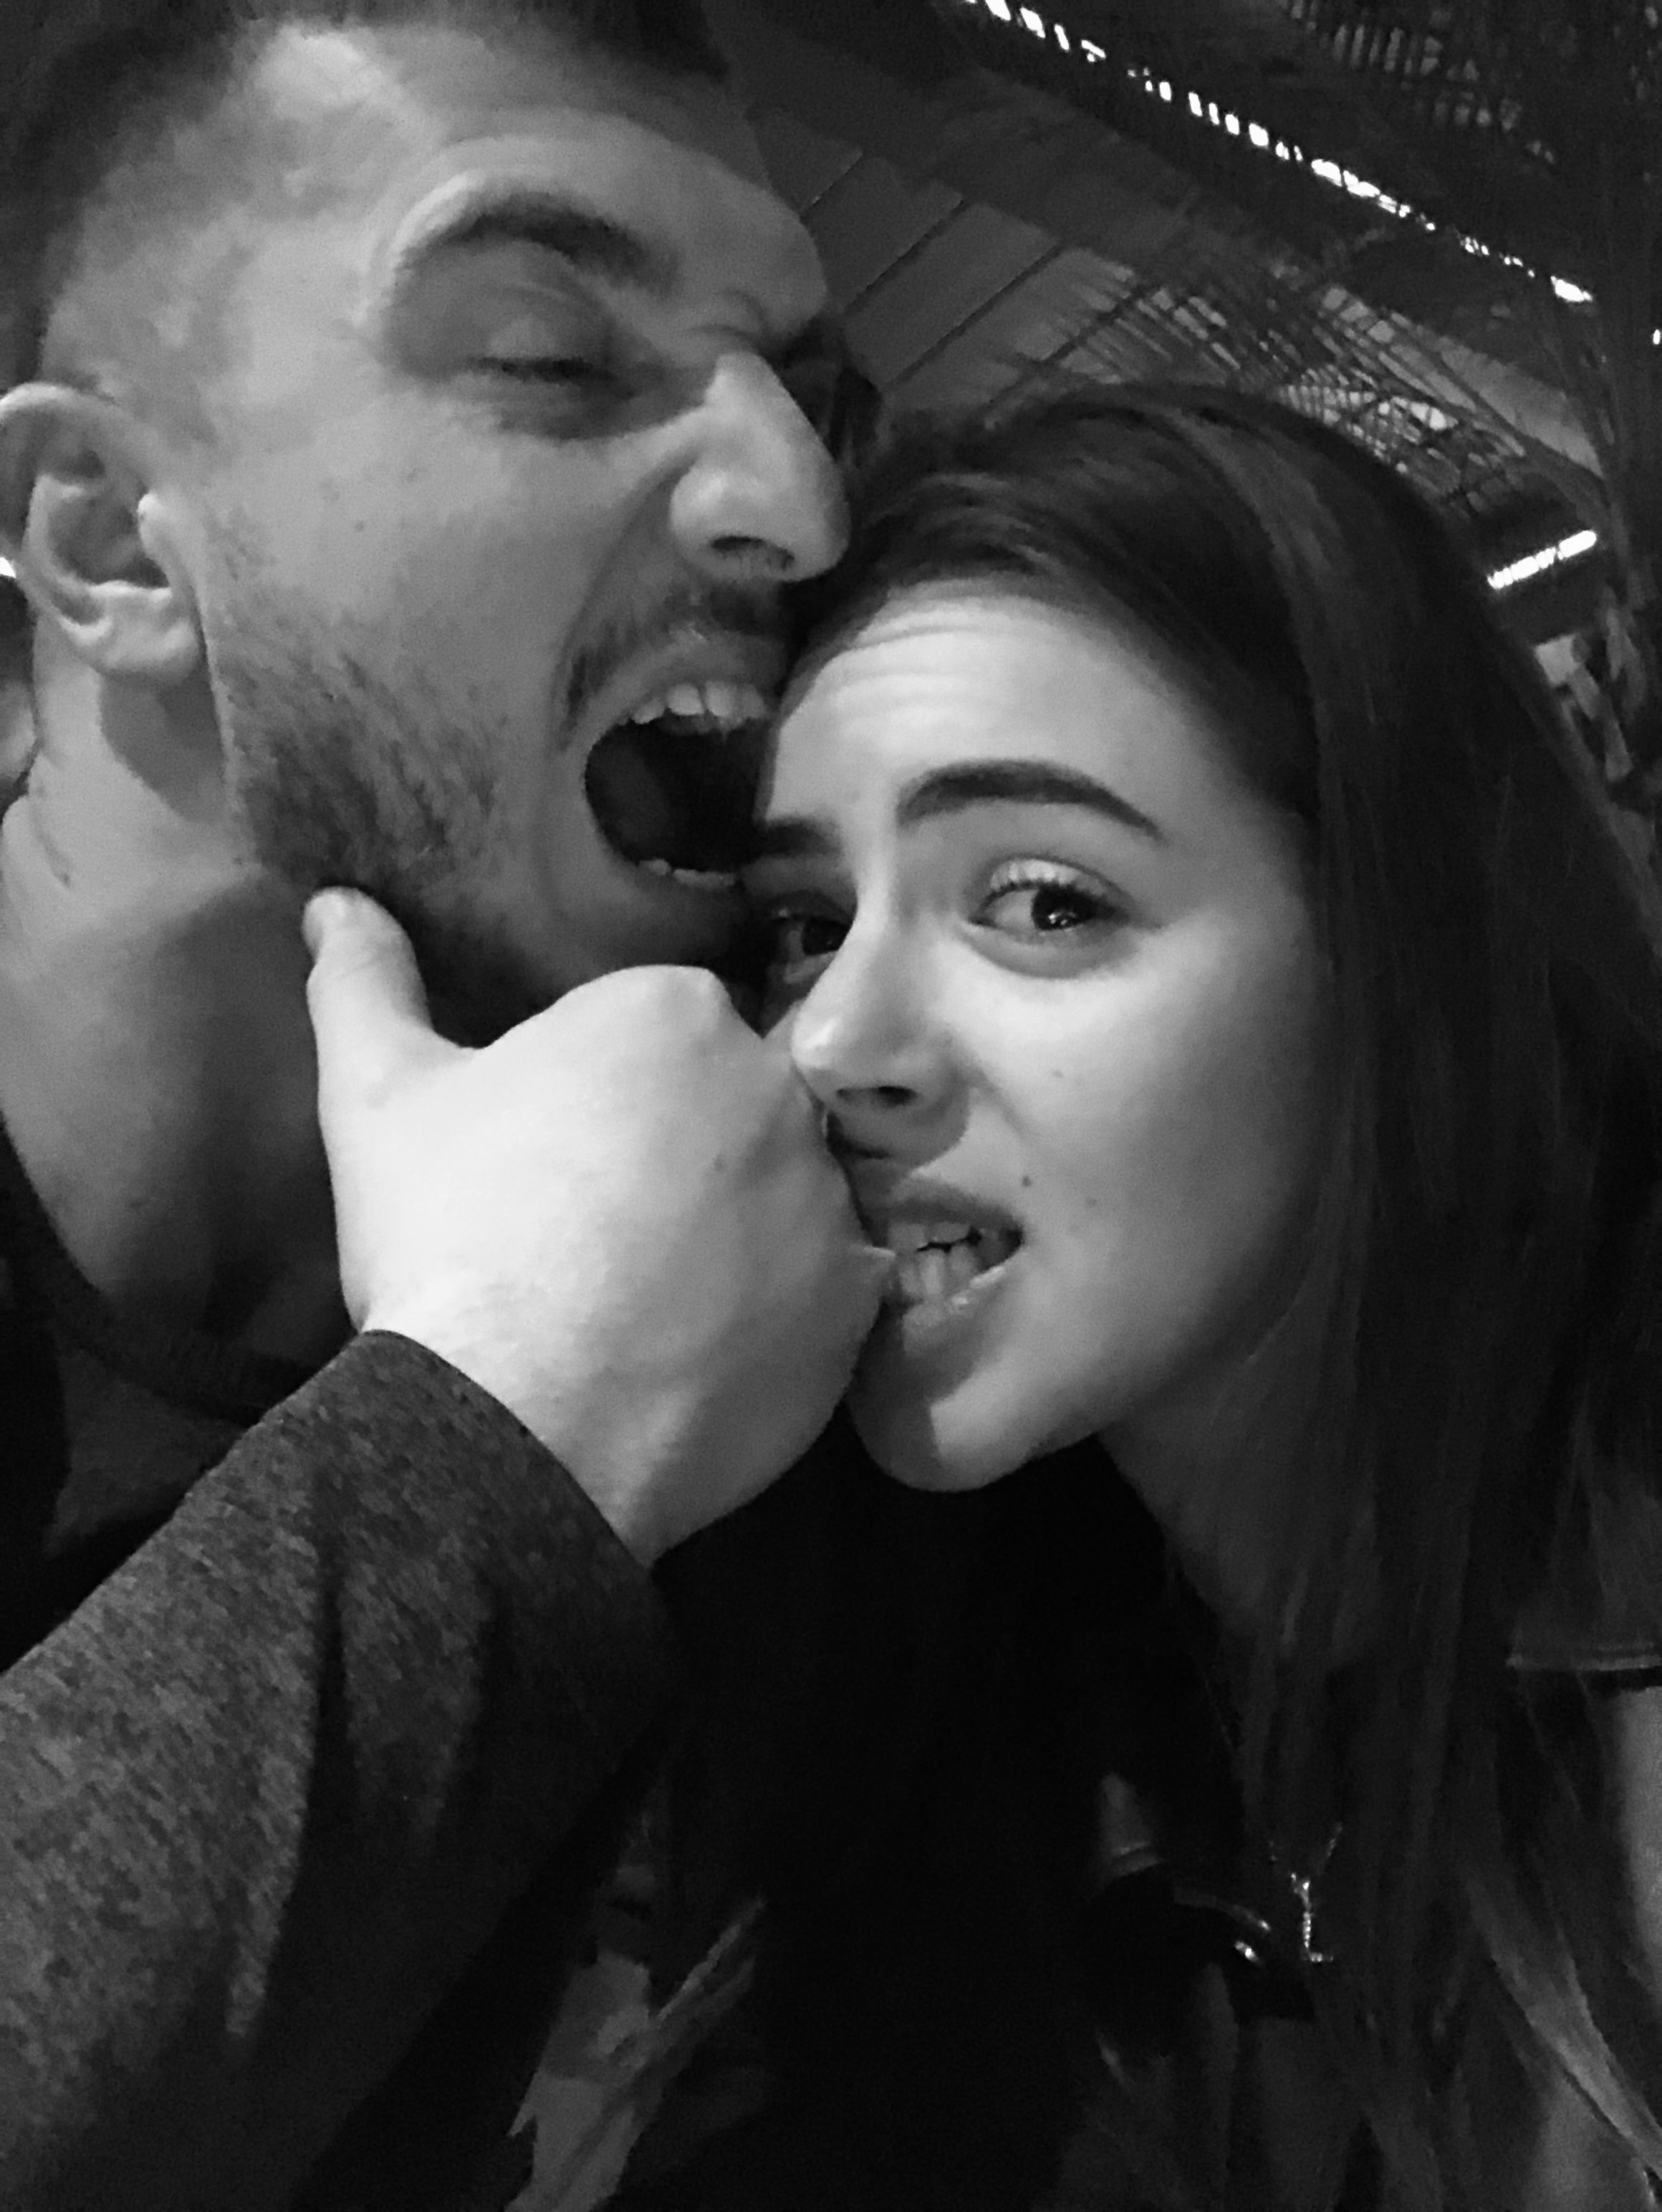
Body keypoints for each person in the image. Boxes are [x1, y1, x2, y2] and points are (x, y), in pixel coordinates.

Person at [0, 1, 887, 2205]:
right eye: (551, 358)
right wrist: (511, 1432)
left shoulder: (792, 1278)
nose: (799, 501)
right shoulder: (647, 1356)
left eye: (818, 401)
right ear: (111, 548)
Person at [606, 385, 1662, 2212]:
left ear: (1401, 957)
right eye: (802, 924)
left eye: (1038, 901)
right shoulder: (938, 1689)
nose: (828, 1042)